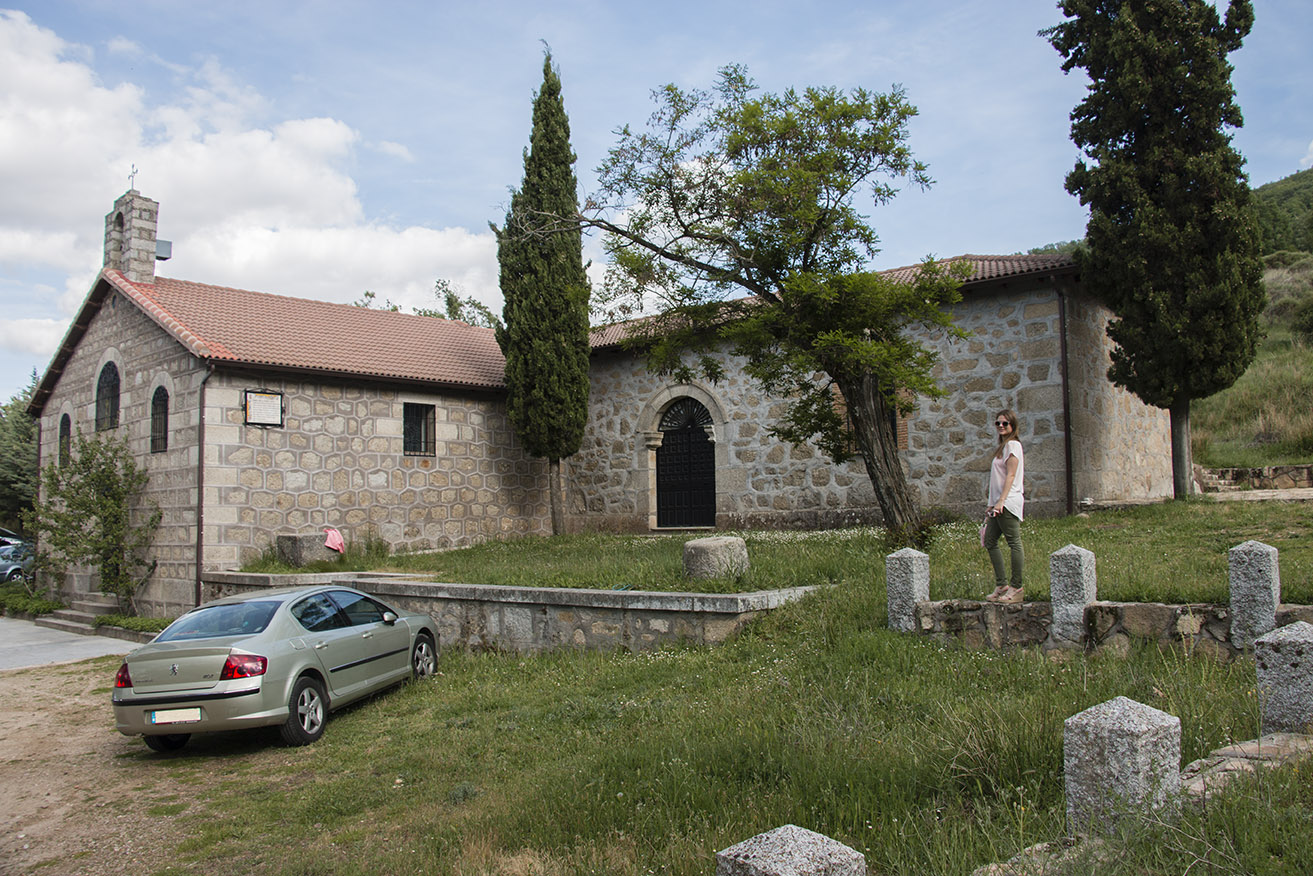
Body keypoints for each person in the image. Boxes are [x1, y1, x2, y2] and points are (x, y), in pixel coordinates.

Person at [984, 408, 1025, 604]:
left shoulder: (1013, 446)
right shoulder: (1003, 447)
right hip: (998, 504)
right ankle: (1002, 584)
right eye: (998, 423)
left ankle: (1017, 587)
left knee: (1013, 542)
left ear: (1013, 426)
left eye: (1005, 423)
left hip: (1008, 502)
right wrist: (991, 503)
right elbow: (997, 479)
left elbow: (1010, 475)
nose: (1001, 426)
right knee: (990, 540)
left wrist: (1001, 501)